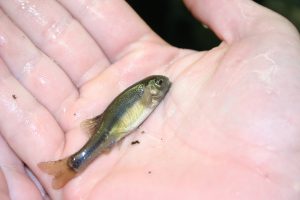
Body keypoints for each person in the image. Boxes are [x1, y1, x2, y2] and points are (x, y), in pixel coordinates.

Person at [0, 0, 299, 199]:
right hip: (108, 132)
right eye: (157, 84)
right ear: (150, 91)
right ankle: (73, 164)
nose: (161, 85)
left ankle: (72, 164)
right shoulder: (144, 96)